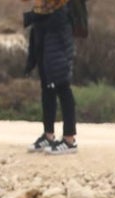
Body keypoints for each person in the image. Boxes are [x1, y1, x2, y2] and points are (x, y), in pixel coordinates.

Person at [24, 0, 78, 154]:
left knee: (62, 84)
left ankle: (69, 139)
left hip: (58, 30)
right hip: (42, 28)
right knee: (47, 85)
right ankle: (48, 135)